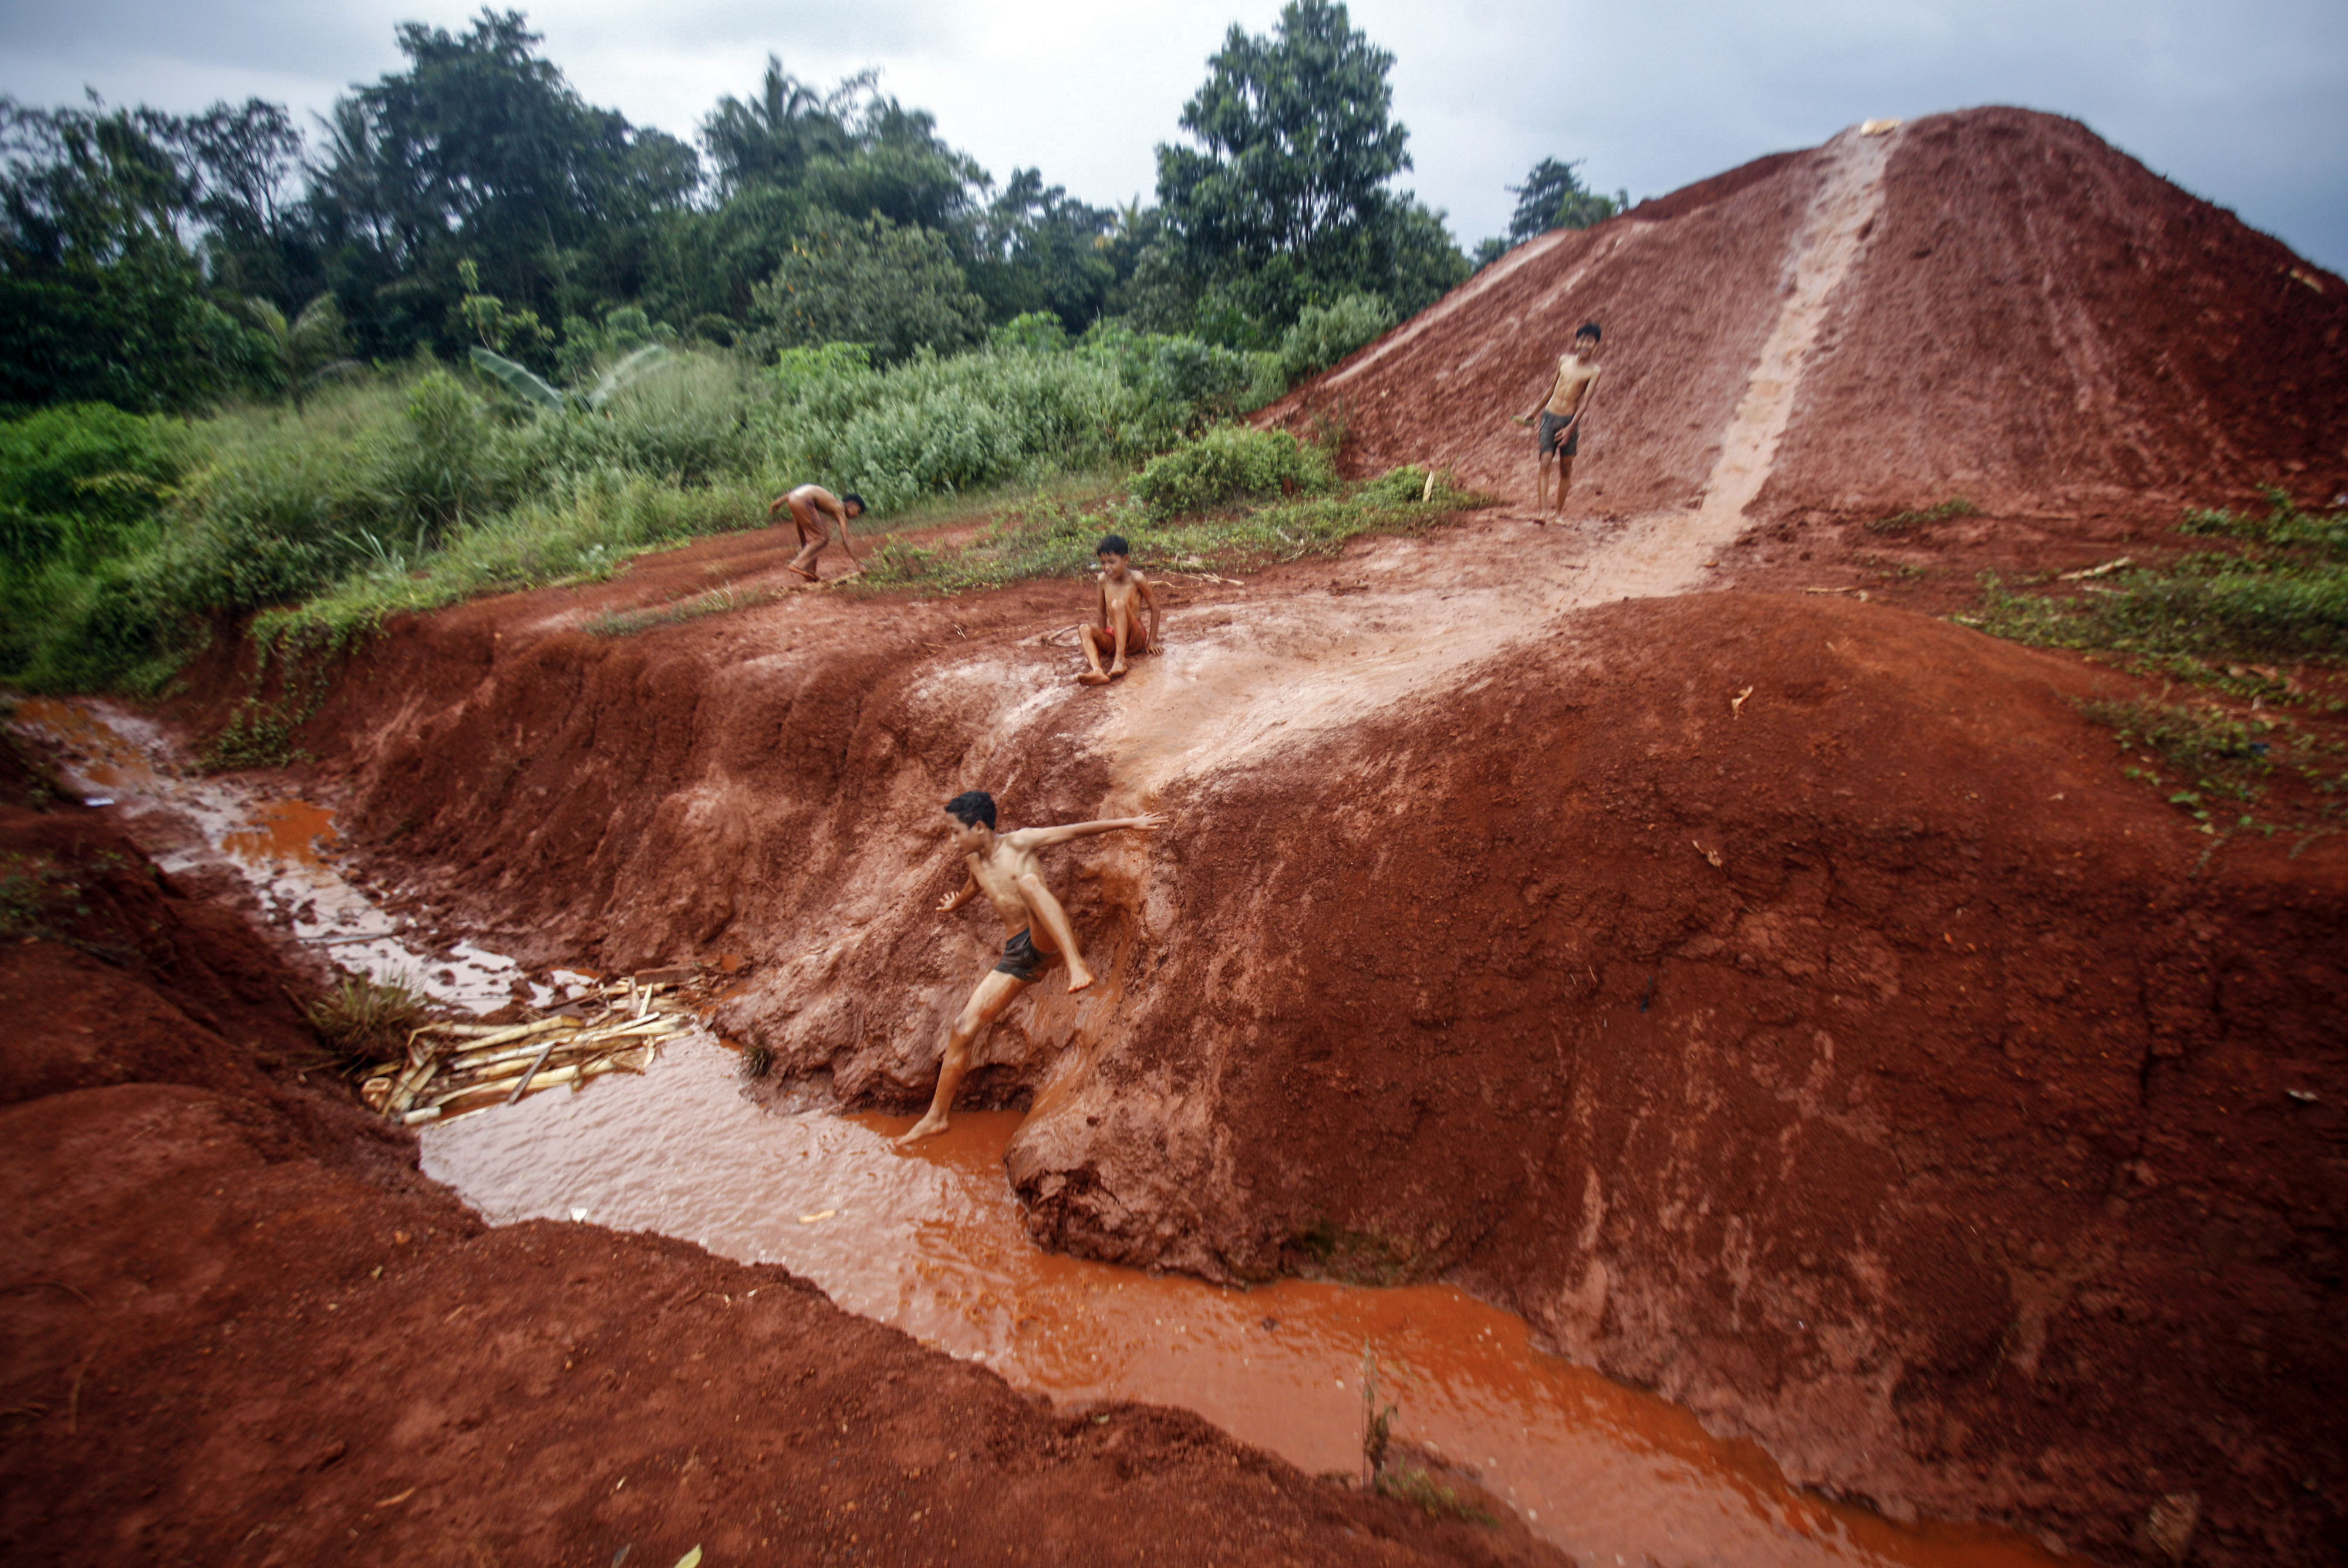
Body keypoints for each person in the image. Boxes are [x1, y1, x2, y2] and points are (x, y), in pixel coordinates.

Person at [898, 790, 1168, 1143]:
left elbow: (1073, 831)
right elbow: (975, 885)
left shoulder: (1020, 842)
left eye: (954, 832)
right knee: (962, 1029)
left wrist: (1130, 822)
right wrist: (956, 903)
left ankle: (1076, 964)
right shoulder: (975, 858)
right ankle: (936, 1117)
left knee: (1028, 883)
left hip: (1046, 938)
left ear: (979, 827)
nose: (952, 840)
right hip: (1017, 956)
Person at [1518, 323, 1603, 518]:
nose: (1584, 344)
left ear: (1596, 345)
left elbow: (1585, 402)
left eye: (1589, 341)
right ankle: (1542, 513)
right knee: (1545, 461)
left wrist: (1571, 428)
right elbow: (1551, 389)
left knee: (1566, 468)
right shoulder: (1564, 360)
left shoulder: (1594, 371)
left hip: (1568, 422)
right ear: (1576, 341)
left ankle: (1557, 515)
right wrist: (1533, 412)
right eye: (1581, 340)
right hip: (1550, 416)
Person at [1078, 534, 1161, 685]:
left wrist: (1152, 642)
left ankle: (1120, 660)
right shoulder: (1102, 580)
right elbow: (1102, 612)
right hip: (1114, 636)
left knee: (1119, 604)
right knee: (1084, 628)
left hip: (1135, 637)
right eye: (1103, 563)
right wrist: (1101, 640)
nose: (1107, 567)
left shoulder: (1136, 578)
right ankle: (1097, 671)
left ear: (1126, 560)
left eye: (1112, 562)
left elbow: (1155, 609)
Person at [767, 483, 865, 581]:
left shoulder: (830, 501)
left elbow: (803, 490)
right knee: (823, 538)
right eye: (859, 511)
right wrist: (858, 563)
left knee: (812, 538)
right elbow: (846, 540)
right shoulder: (840, 508)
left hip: (793, 498)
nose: (857, 515)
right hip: (804, 501)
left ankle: (809, 570)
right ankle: (796, 565)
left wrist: (780, 501)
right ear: (852, 505)